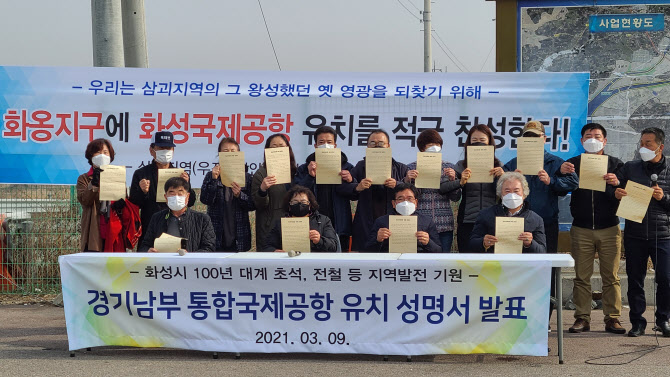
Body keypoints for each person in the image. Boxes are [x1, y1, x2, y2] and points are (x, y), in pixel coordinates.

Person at [503, 120, 578, 322]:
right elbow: (498, 185)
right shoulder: (513, 163)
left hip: (546, 226)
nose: (532, 141)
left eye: (536, 137)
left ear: (544, 139)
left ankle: (545, 318)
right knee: (517, 270)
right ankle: (517, 315)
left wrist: (551, 181)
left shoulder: (555, 162)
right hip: (516, 225)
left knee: (547, 270)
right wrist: (509, 178)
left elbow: (573, 183)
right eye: (528, 137)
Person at [562, 123, 625, 334]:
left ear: (605, 141)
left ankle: (613, 318)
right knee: (581, 276)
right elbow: (560, 186)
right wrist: (561, 172)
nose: (592, 139)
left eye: (597, 136)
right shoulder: (572, 163)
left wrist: (616, 184)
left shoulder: (617, 165)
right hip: (581, 227)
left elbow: (627, 193)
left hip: (609, 227)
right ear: (581, 141)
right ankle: (582, 318)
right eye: (588, 136)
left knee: (611, 276)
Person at [615, 127, 670, 337]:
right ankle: (637, 322)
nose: (643, 148)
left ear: (660, 147)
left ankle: (663, 319)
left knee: (665, 279)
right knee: (635, 279)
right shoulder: (630, 167)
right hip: (634, 234)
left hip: (663, 235)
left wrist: (662, 198)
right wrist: (616, 192)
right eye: (641, 143)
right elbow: (614, 188)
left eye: (648, 144)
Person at [344, 130, 409, 251]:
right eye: (372, 143)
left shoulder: (401, 168)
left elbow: (414, 193)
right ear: (367, 146)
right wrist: (357, 187)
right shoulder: (360, 166)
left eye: (381, 143)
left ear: (388, 146)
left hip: (394, 223)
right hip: (365, 222)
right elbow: (343, 190)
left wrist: (397, 184)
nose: (376, 146)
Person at [129, 131, 196, 247]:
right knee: (149, 262)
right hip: (150, 228)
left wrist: (187, 184)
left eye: (168, 148)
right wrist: (143, 191)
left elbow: (190, 202)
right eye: (161, 148)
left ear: (173, 151)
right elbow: (134, 203)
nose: (165, 151)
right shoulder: (141, 174)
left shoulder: (179, 174)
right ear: (151, 150)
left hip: (176, 227)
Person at [294, 126, 355, 250]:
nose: (326, 145)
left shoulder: (347, 167)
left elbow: (356, 195)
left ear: (335, 145)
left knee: (338, 263)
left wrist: (351, 180)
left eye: (329, 142)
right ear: (315, 146)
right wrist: (310, 176)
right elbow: (295, 193)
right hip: (312, 226)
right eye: (321, 142)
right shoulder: (305, 168)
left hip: (339, 224)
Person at [76, 138, 140, 252]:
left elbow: (124, 202)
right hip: (94, 231)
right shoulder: (84, 179)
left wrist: (120, 205)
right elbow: (85, 200)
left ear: (110, 155)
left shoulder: (117, 175)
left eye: (105, 152)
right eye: (98, 152)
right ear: (91, 155)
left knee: (114, 267)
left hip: (114, 229)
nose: (102, 155)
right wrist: (93, 184)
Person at [405, 129, 461, 252]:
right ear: (422, 148)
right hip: (420, 224)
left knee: (442, 260)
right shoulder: (411, 168)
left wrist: (453, 180)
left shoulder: (449, 167)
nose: (435, 148)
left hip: (444, 223)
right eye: (430, 145)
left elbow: (455, 198)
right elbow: (407, 196)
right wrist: (408, 180)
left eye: (437, 144)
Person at [454, 124, 504, 252]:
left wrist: (503, 178)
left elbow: (505, 195)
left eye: (482, 141)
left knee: (490, 262)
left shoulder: (499, 166)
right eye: (474, 141)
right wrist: (460, 180)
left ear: (490, 143)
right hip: (467, 220)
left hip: (492, 220)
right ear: (468, 144)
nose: (478, 144)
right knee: (466, 259)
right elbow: (454, 196)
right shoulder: (461, 166)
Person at [200, 138, 255, 252]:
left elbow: (252, 205)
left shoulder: (247, 177)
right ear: (219, 155)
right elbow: (205, 200)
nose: (229, 154)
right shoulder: (211, 176)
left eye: (233, 151)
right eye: (225, 151)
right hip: (216, 234)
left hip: (240, 236)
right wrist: (214, 180)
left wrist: (240, 195)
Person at [469, 172, 546, 254]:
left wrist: (530, 244)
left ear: (524, 193)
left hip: (522, 265)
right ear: (500, 194)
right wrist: (483, 243)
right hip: (494, 264)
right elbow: (471, 245)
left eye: (516, 191)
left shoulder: (536, 219)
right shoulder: (486, 215)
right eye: (507, 191)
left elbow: (542, 251)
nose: (512, 195)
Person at [139, 177, 215, 253]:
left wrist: (190, 256)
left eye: (180, 193)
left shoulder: (202, 219)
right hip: (162, 263)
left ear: (187, 196)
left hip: (191, 264)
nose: (176, 197)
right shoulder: (157, 218)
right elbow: (144, 245)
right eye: (172, 193)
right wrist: (148, 251)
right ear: (166, 197)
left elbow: (209, 248)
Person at [251, 133, 297, 250]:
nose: (277, 149)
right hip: (270, 228)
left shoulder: (296, 172)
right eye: (273, 147)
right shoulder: (261, 174)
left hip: (294, 227)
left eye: (281, 146)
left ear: (288, 149)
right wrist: (263, 189)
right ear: (267, 151)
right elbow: (258, 204)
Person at [365, 183, 442, 253]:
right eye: (400, 199)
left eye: (410, 198)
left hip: (417, 262)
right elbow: (367, 250)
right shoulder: (381, 222)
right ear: (393, 203)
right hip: (390, 261)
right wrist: (378, 240)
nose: (405, 203)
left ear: (416, 203)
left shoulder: (427, 221)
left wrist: (428, 242)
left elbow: (439, 251)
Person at [262, 185, 338, 252]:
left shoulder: (323, 220)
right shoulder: (281, 223)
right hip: (289, 262)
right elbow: (266, 246)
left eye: (303, 202)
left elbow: (334, 246)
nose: (299, 205)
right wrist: (274, 251)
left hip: (316, 262)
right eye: (295, 202)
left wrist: (319, 240)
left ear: (310, 205)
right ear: (289, 205)